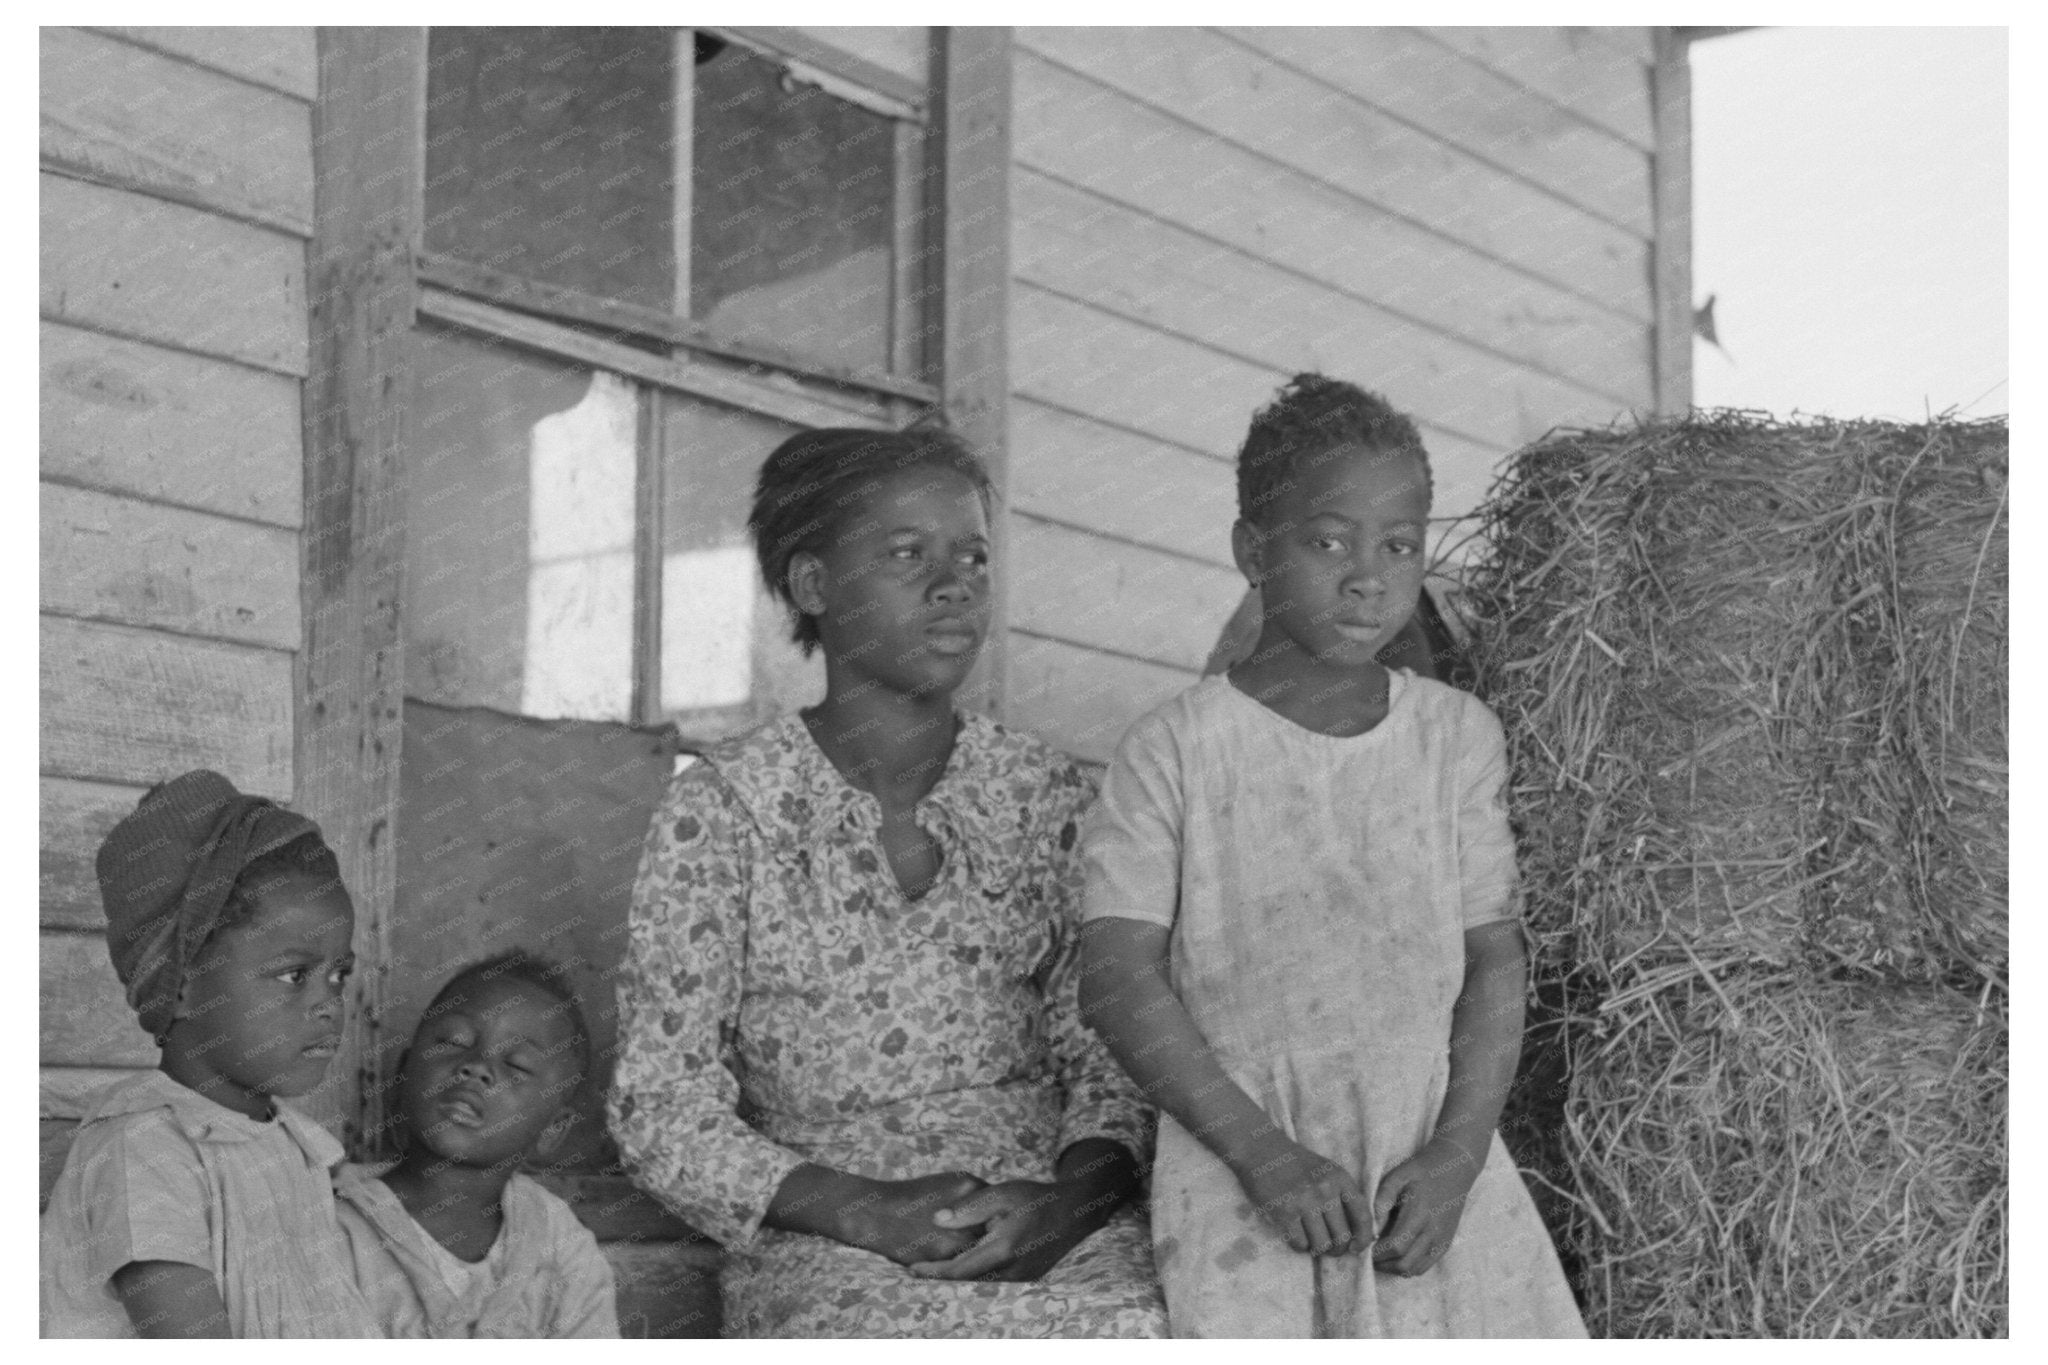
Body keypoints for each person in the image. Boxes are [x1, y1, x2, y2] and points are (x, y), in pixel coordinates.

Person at [608, 425, 1168, 1337]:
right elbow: (661, 1104)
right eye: (907, 553)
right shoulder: (726, 810)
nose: (953, 584)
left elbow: (1111, 1054)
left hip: (1049, 1212)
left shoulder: (1049, 799)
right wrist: (862, 1208)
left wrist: (1066, 1203)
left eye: (973, 558)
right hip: (832, 1228)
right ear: (814, 585)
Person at [1078, 375, 1586, 1338]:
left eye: (1399, 544)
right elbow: (1115, 981)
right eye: (1328, 540)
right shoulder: (1177, 748)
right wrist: (1264, 1156)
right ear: (1251, 551)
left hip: (1428, 1165)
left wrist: (1459, 1155)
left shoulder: (1454, 738)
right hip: (1242, 1170)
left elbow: (1493, 956)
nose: (1369, 575)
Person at [40, 770, 380, 1337]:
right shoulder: (143, 1149)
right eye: (295, 975)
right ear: (182, 985)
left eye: (339, 974)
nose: (329, 1004)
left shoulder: (290, 1144)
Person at [332, 951, 619, 1337]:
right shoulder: (334, 1225)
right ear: (402, 1074)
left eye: (516, 1065)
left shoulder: (561, 1248)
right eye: (454, 1041)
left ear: (553, 1128)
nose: (477, 1067)